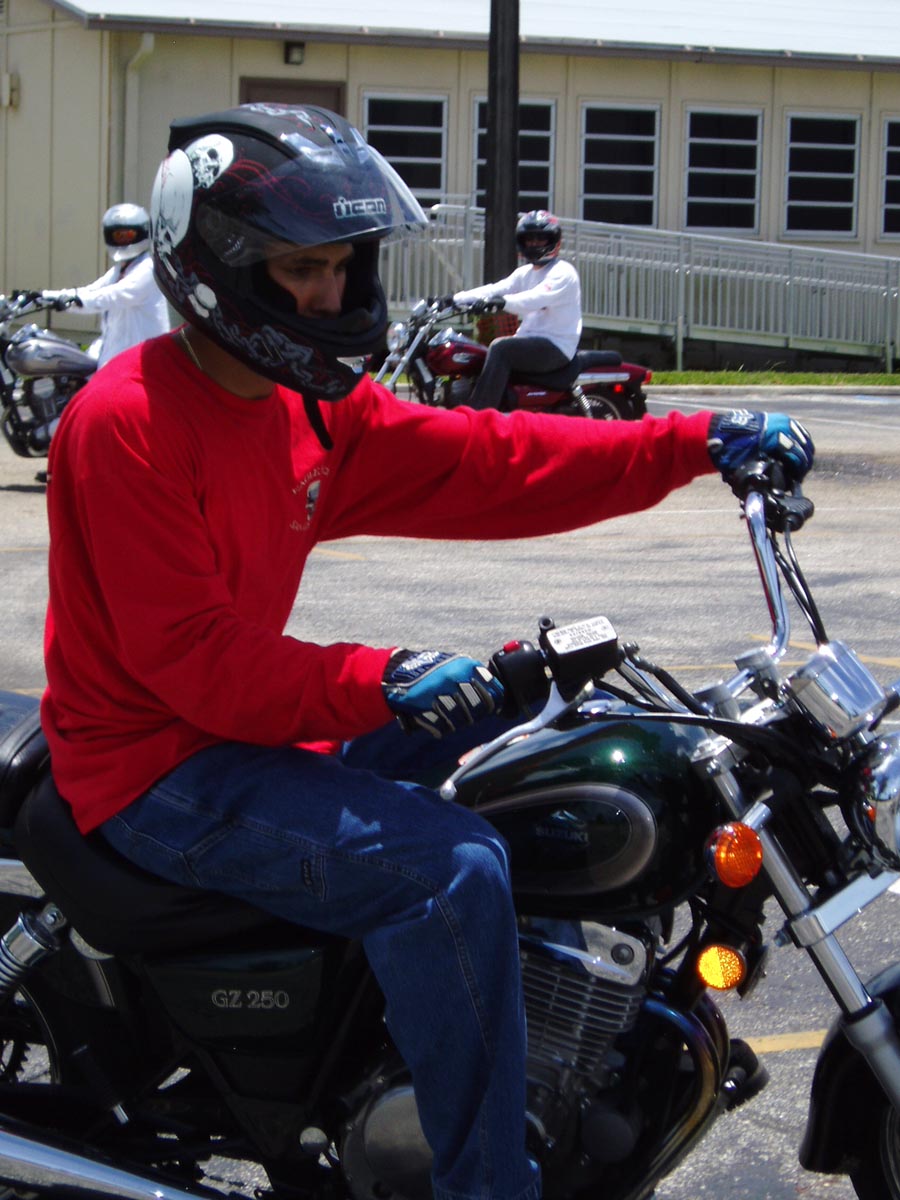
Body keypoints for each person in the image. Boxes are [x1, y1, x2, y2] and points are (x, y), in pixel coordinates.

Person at [40, 103, 814, 1200]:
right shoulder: (130, 421)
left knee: (556, 727)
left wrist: (693, 442)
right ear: (218, 266)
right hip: (155, 768)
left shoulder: (309, 408)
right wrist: (384, 678)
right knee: (450, 873)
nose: (330, 296)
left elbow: (490, 460)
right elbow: (195, 662)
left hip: (240, 731)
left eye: (342, 268)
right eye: (301, 269)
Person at [452, 210, 582, 410]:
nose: (534, 244)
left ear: (554, 241)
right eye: (529, 239)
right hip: (529, 341)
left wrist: (501, 303)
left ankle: (480, 415)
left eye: (540, 239)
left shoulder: (563, 272)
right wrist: (454, 299)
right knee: (474, 354)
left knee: (501, 348)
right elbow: (495, 289)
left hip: (556, 346)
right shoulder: (525, 273)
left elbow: (535, 298)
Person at [42, 203, 171, 368]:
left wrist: (75, 301)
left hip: (142, 363)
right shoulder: (121, 269)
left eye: (128, 235)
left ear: (142, 233)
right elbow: (91, 290)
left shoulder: (147, 269)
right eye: (118, 235)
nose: (123, 240)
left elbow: (112, 296)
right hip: (117, 357)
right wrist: (44, 296)